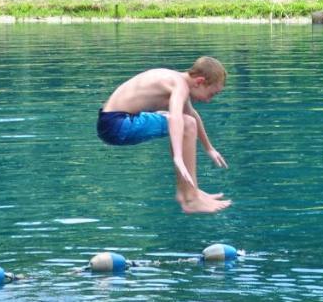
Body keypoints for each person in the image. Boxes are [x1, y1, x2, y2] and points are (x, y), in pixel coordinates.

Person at [97, 56, 231, 213]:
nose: (208, 101)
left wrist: (209, 148)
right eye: (211, 94)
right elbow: (177, 118)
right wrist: (178, 157)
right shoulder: (179, 86)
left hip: (111, 122)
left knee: (185, 120)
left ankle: (188, 191)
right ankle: (191, 198)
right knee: (187, 124)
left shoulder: (175, 80)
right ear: (200, 82)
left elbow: (192, 114)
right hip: (118, 125)